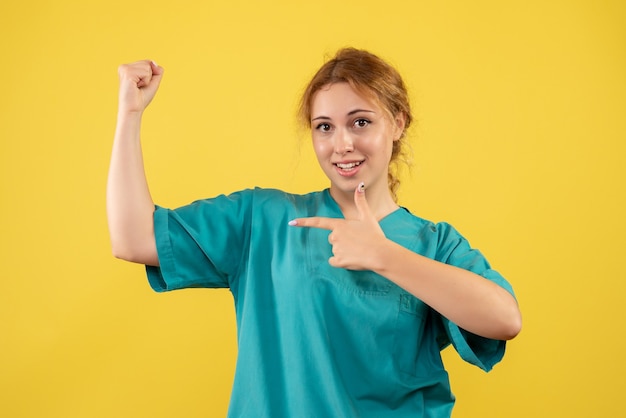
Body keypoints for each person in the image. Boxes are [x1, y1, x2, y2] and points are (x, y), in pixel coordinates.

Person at [107, 48, 521, 417]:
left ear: (397, 123)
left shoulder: (433, 244)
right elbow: (133, 239)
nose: (341, 144)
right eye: (324, 127)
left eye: (360, 122)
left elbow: (504, 318)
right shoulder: (262, 220)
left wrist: (384, 255)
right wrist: (129, 114)